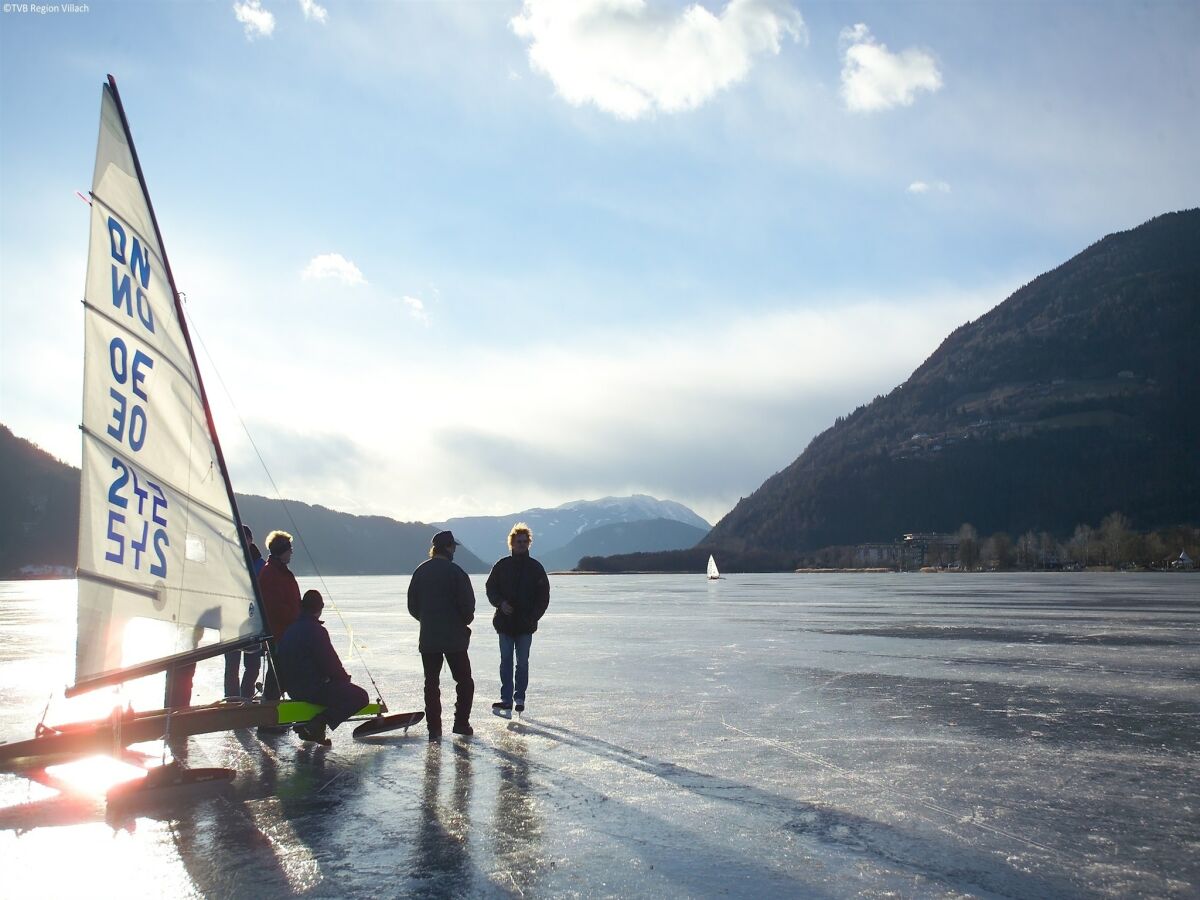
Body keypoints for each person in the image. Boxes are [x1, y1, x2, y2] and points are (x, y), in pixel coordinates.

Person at [276, 590, 369, 746]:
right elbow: (330, 663)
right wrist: (344, 680)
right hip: (312, 689)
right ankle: (318, 723)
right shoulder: (316, 630)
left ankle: (311, 730)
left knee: (330, 689)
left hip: (293, 689)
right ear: (320, 607)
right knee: (360, 697)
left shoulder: (290, 629)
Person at [407, 530, 476, 739]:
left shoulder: (420, 572)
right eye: (453, 546)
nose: (454, 549)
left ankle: (434, 729)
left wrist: (428, 620)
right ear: (448, 547)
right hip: (455, 639)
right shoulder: (456, 572)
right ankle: (461, 724)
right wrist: (462, 621)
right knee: (464, 681)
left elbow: (412, 606)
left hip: (429, 638)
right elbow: (468, 607)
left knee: (431, 683)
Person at [486, 522, 550, 714]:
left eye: (524, 541)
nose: (521, 544)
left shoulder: (536, 568)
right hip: (505, 624)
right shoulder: (502, 566)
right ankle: (506, 699)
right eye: (518, 541)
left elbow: (543, 597)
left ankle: (519, 697)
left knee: (522, 663)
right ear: (511, 543)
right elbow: (491, 588)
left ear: (529, 543)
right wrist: (500, 603)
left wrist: (532, 617)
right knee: (505, 660)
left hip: (525, 625)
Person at [258, 529, 301, 708]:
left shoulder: (280, 571)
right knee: (277, 673)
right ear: (282, 550)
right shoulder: (271, 573)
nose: (291, 552)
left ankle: (272, 711)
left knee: (280, 672)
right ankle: (269, 716)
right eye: (289, 548)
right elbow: (275, 607)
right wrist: (297, 617)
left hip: (287, 631)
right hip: (279, 633)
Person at [225, 524, 267, 698]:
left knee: (253, 666)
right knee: (231, 666)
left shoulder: (260, 564)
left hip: (252, 623)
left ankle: (246, 696)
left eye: (244, 538)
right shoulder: (229, 561)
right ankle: (232, 701)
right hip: (231, 621)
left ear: (250, 540)